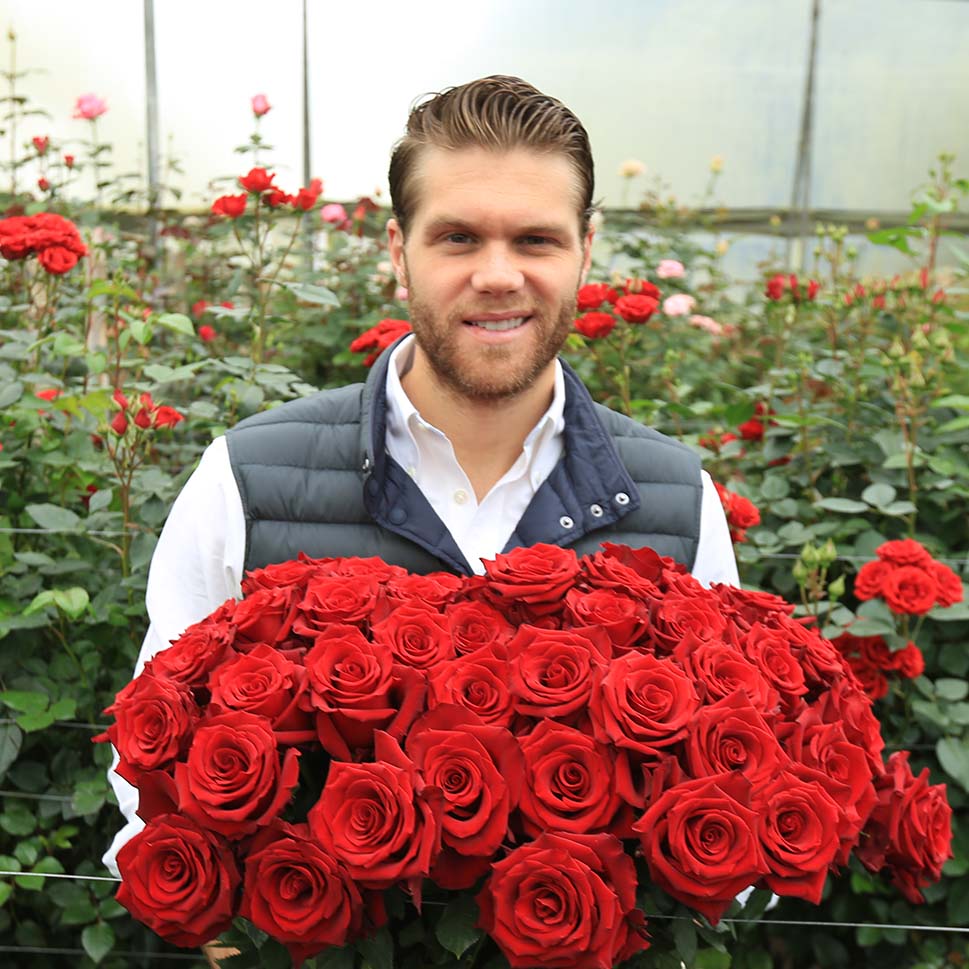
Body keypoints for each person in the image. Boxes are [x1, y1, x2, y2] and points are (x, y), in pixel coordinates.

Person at [103, 75, 739, 882]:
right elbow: (147, 765)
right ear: (400, 253)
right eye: (458, 238)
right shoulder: (250, 478)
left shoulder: (675, 501)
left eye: (536, 240)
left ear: (586, 249)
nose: (498, 274)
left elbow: (731, 797)